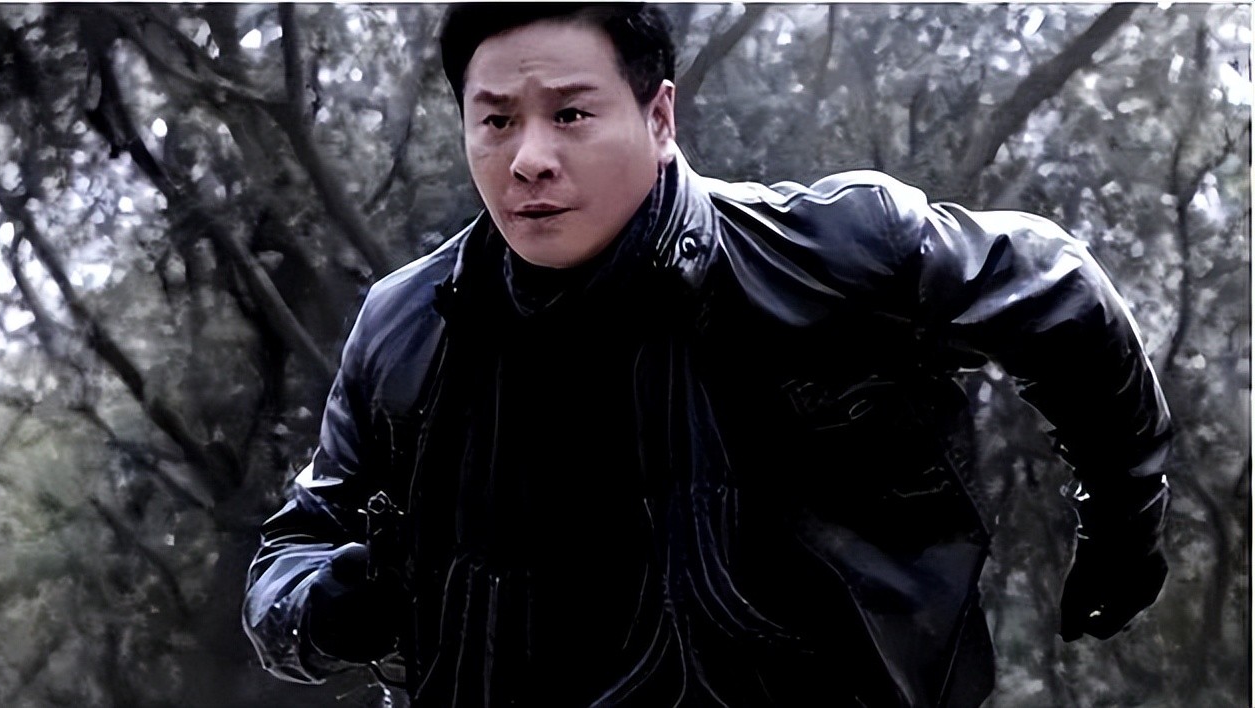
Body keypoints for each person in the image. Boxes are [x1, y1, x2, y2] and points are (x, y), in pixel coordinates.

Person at [242, 4, 1173, 706]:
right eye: (495, 121)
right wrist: (323, 607)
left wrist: (1125, 520)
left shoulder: (829, 257)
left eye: (571, 114)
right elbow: (288, 554)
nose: (529, 158)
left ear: (659, 117)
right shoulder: (408, 327)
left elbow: (1059, 290)